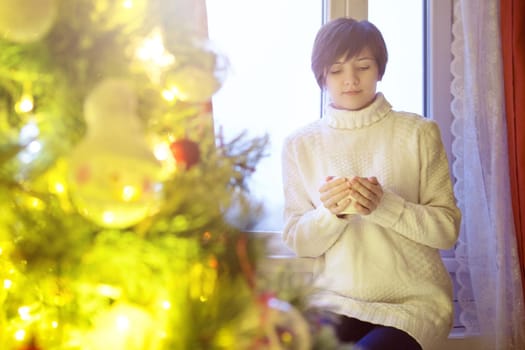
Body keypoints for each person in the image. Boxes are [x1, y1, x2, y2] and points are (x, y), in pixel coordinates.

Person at [281, 17, 461, 350]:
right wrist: (331, 213)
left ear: (380, 69)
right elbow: (299, 241)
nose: (350, 80)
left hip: (413, 305)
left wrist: (384, 205)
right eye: (336, 70)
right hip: (334, 302)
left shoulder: (419, 133)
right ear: (321, 76)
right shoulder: (299, 144)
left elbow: (446, 230)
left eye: (362, 66)